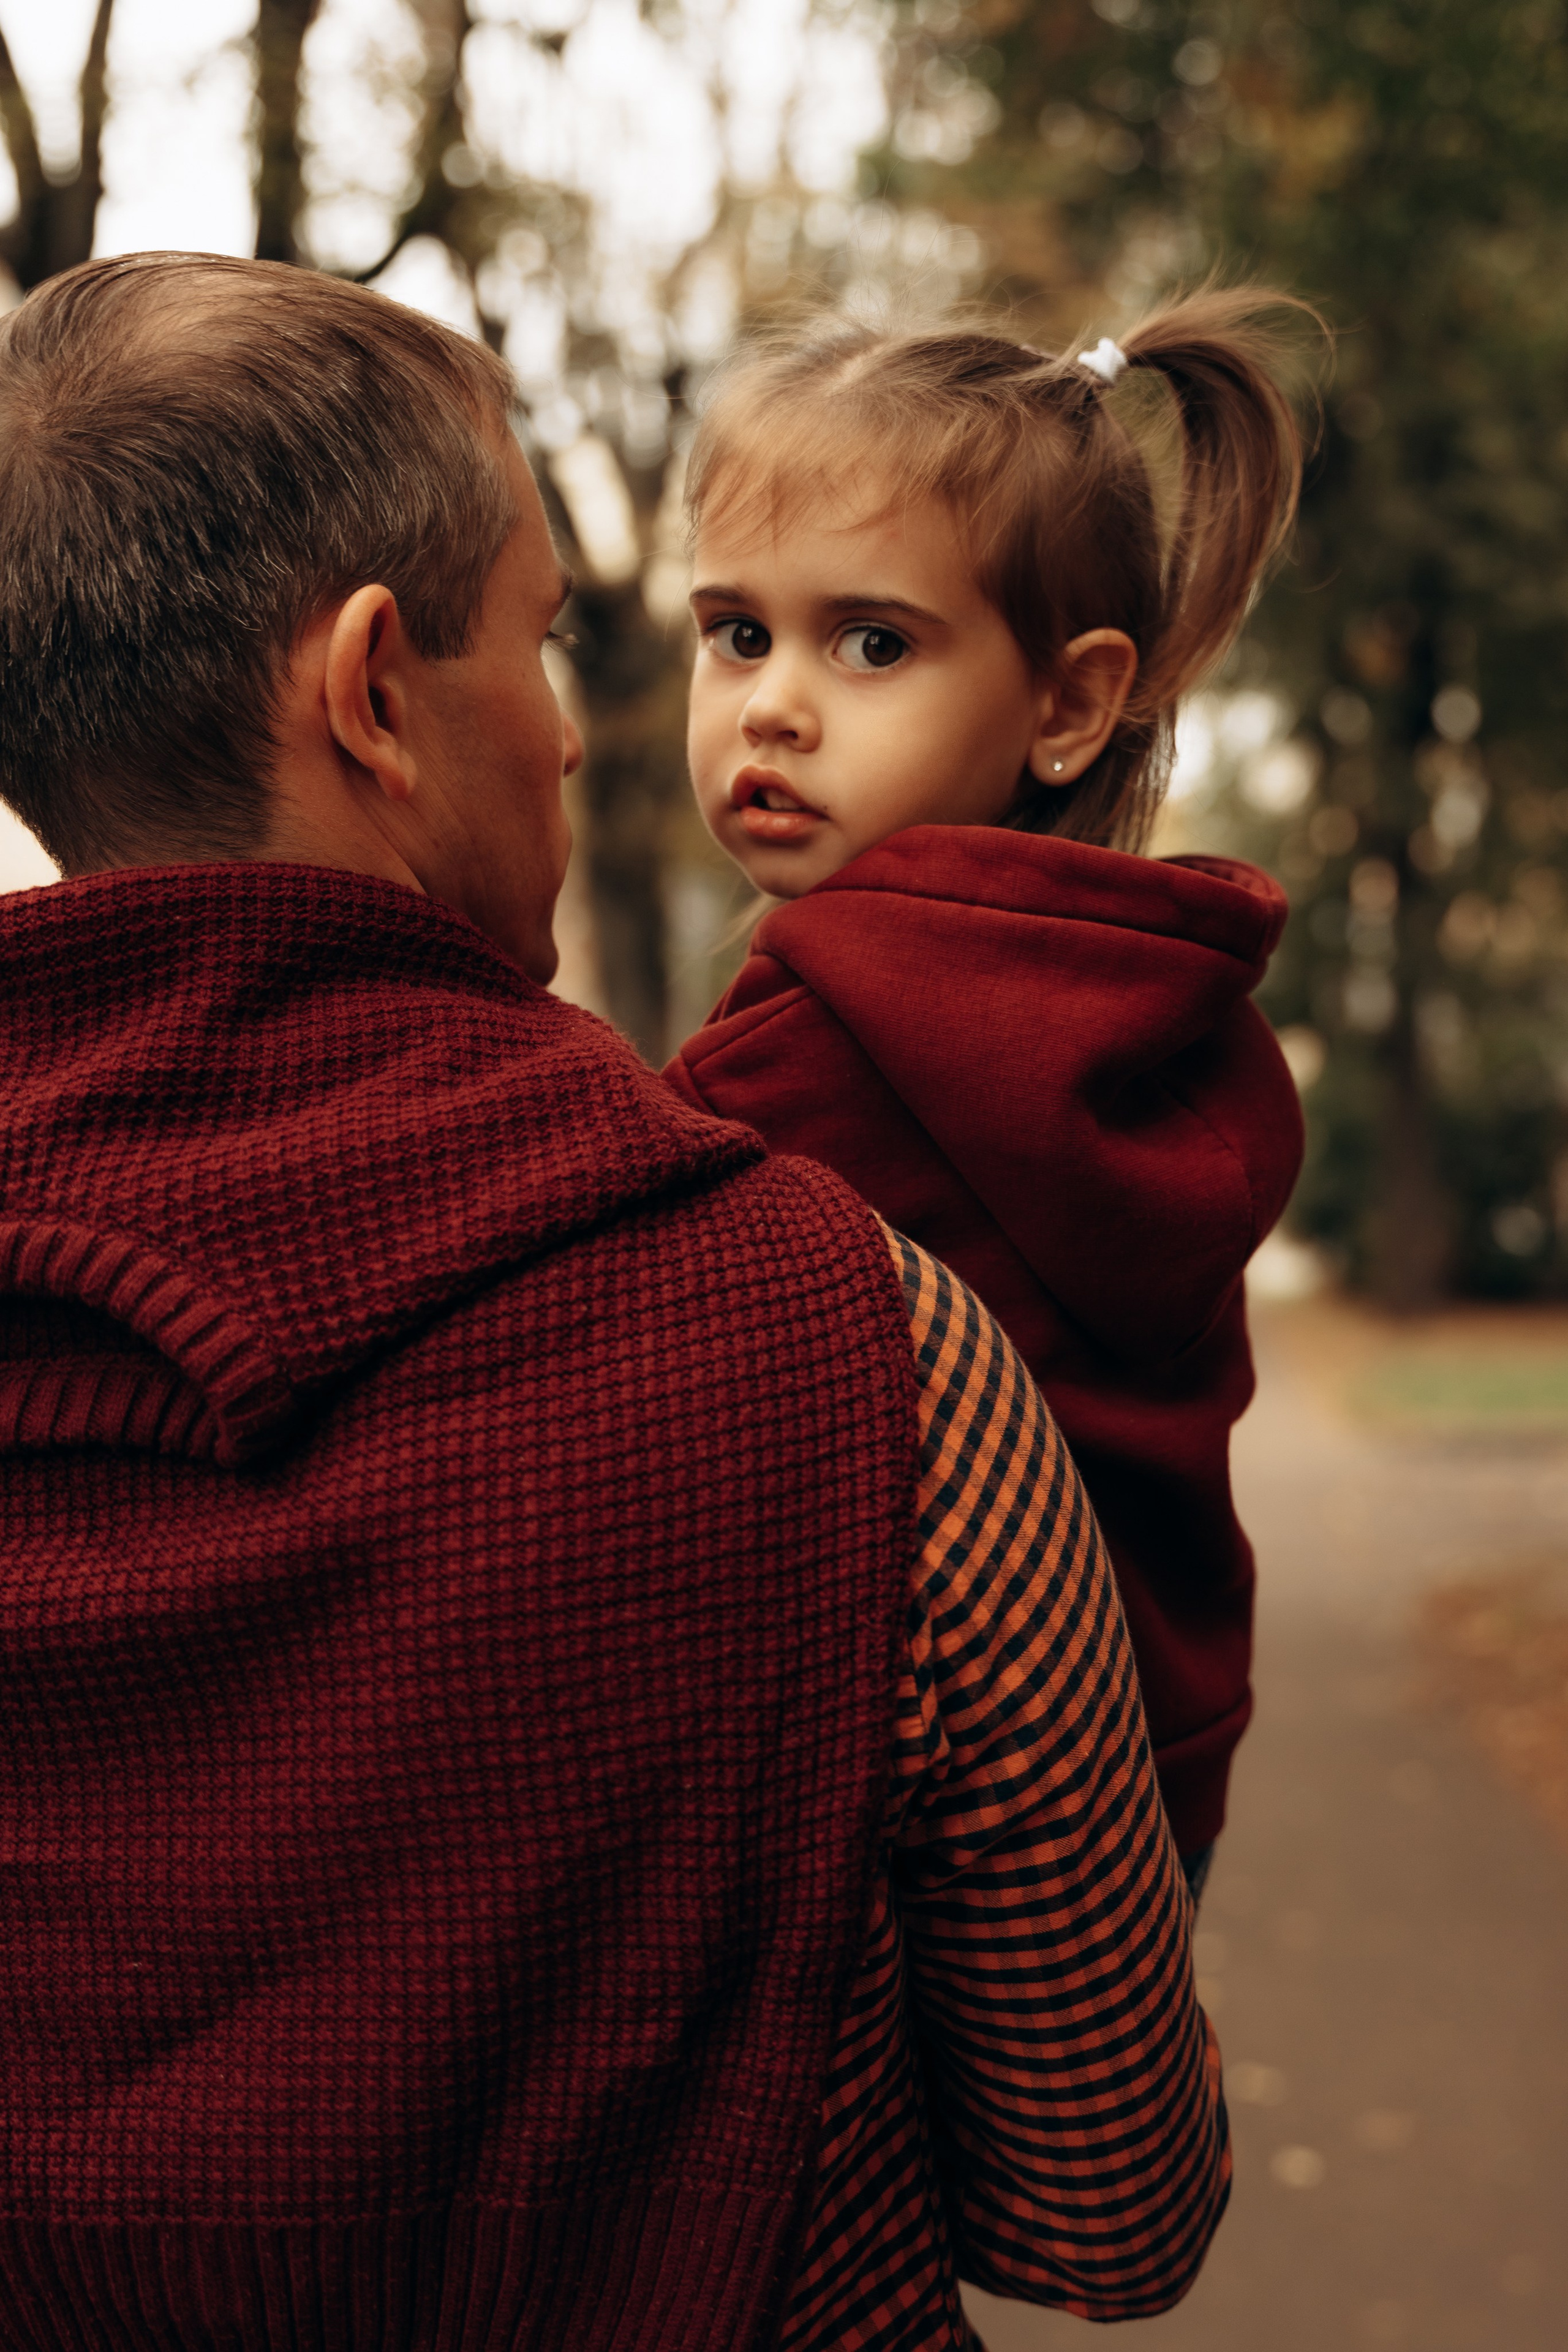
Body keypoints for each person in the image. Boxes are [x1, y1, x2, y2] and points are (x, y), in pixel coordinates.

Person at [0, 253, 1227, 2352]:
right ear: (376, 689)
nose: (580, 738)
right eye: (557, 640)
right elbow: (1108, 2203)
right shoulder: (852, 1337)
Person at [665, 296, 1311, 1898]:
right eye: (737, 631)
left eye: (871, 642)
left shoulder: (821, 1054)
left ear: (1070, 704)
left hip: (938, 1800)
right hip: (1161, 1759)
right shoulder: (1147, 1013)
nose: (773, 703)